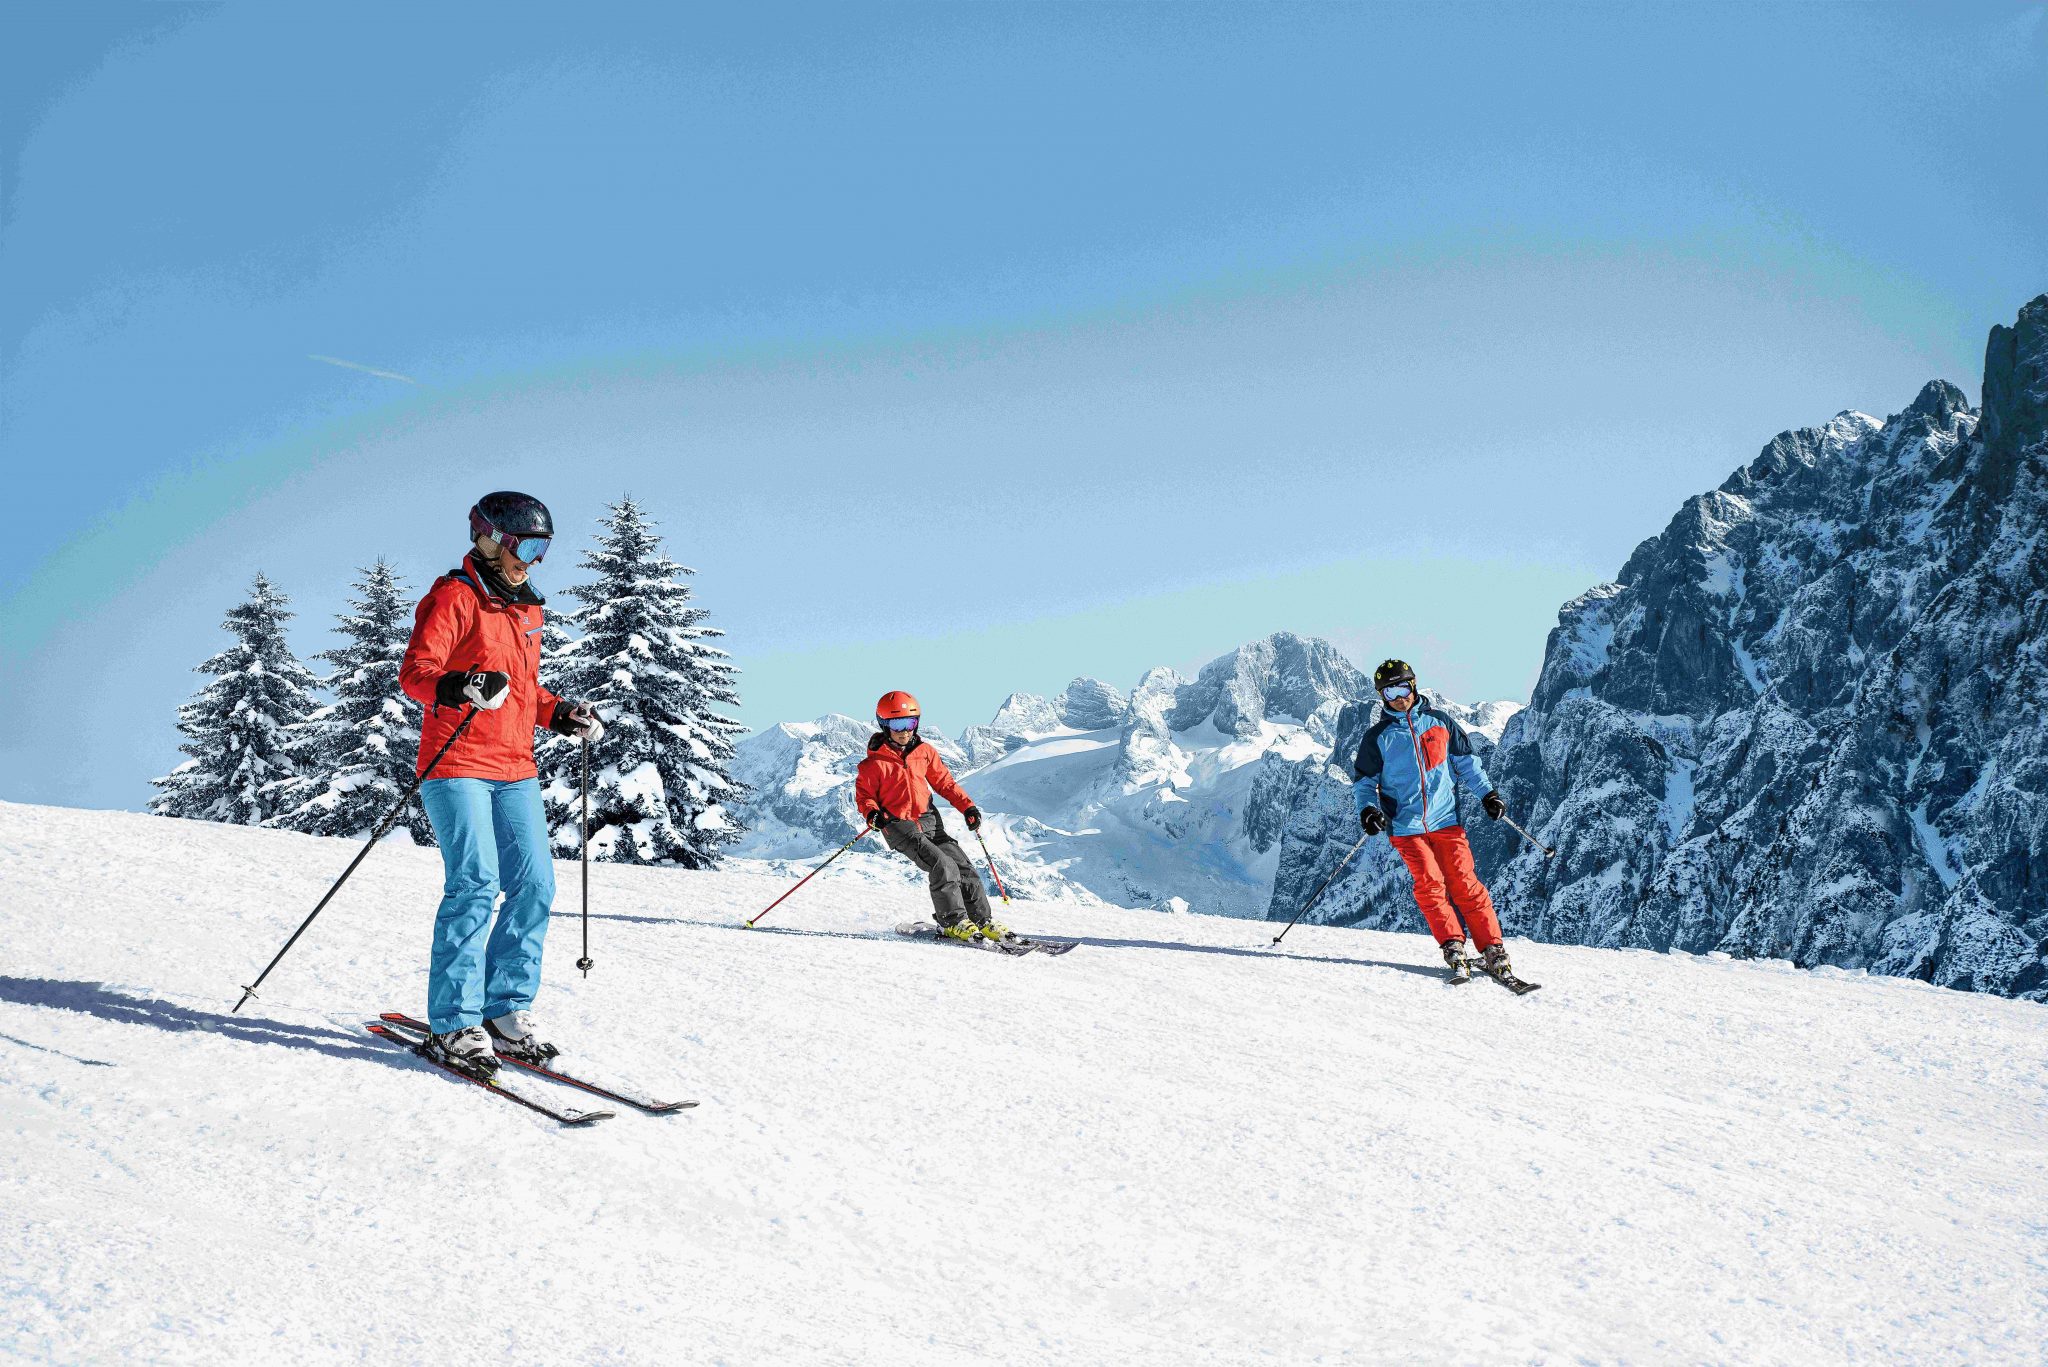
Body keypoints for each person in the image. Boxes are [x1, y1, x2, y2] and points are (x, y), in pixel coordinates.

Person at [398, 491, 603, 1076]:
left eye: (543, 549)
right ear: (489, 539)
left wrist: (558, 712)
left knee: (536, 884)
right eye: (528, 546)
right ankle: (454, 1022)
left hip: (515, 767)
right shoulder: (454, 596)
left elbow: (520, 688)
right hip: (456, 762)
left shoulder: (525, 608)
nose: (533, 560)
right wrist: (460, 685)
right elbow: (417, 672)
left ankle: (503, 1012)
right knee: (476, 885)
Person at [1353, 658, 1517, 980]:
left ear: (1413, 685)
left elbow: (1467, 763)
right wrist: (1369, 810)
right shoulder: (1378, 737)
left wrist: (1488, 794)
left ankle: (1492, 947)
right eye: (1389, 692)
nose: (1398, 697)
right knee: (1430, 884)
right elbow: (1364, 782)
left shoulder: (1440, 723)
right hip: (1405, 827)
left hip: (1446, 822)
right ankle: (1453, 944)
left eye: (1402, 687)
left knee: (1464, 883)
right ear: (1381, 697)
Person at [853, 690, 1006, 943]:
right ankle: (952, 922)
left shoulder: (924, 752)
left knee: (962, 866)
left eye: (910, 723)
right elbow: (864, 797)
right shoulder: (873, 765)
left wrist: (967, 808)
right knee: (942, 865)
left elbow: (944, 783)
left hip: (929, 820)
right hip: (898, 825)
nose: (905, 731)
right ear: (884, 725)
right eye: (897, 724)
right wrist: (872, 815)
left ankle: (982, 921)